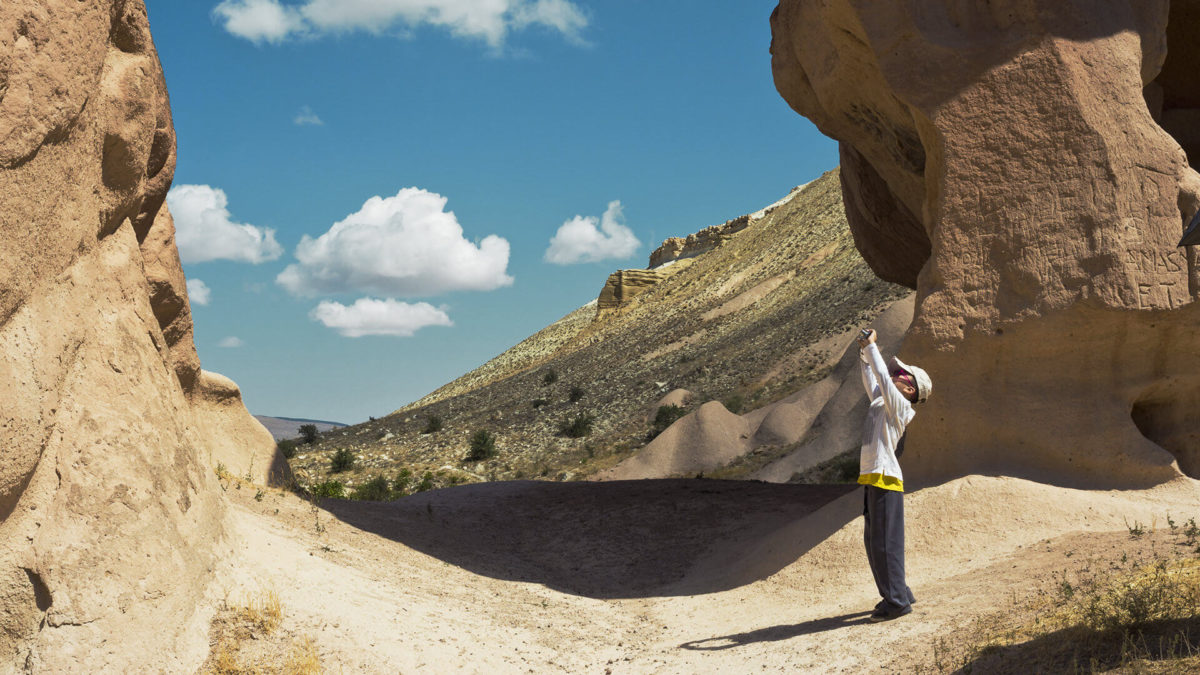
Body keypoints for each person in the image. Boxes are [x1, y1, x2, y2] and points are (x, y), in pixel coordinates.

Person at [855, 328, 931, 622]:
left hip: (885, 478)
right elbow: (872, 379)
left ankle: (897, 602)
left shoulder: (900, 405)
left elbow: (883, 381)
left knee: (885, 544)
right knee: (876, 543)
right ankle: (897, 593)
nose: (895, 374)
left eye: (901, 374)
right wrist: (864, 352)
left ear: (910, 389)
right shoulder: (881, 401)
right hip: (874, 477)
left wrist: (873, 347)